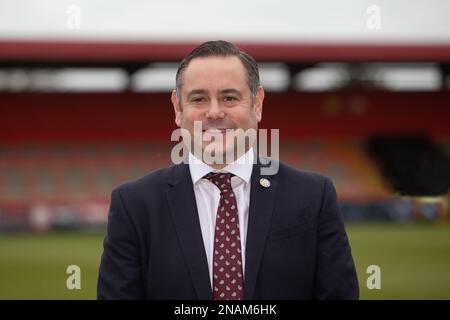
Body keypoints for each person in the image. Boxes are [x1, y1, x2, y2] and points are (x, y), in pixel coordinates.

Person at [97, 40, 359, 300]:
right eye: (199, 98)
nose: (214, 112)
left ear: (257, 104)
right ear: (178, 108)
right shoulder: (134, 205)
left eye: (229, 98)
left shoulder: (313, 196)